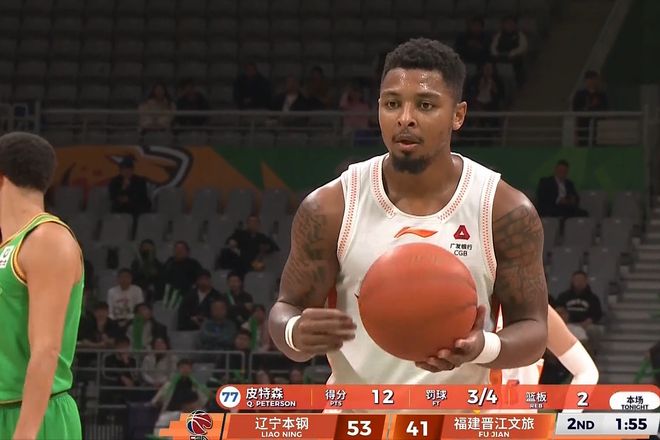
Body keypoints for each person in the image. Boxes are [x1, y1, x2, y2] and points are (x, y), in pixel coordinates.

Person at [269, 39, 548, 389]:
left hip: (462, 414)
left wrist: (483, 347)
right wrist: (295, 332)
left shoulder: (504, 211)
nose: (405, 118)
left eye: (425, 105)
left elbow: (534, 330)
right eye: (392, 104)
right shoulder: (330, 207)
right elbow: (286, 308)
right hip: (357, 413)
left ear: (458, 115)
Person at [0, 132, 83, 439]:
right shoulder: (9, 246)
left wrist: (25, 434)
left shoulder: (47, 239)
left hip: (33, 416)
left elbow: (46, 350)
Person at [555, 271, 604, 354]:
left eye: (581, 280)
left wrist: (589, 321)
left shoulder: (593, 298)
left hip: (585, 324)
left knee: (594, 330)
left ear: (586, 281)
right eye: (577, 280)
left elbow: (597, 314)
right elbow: (558, 310)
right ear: (572, 281)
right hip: (567, 323)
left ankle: (592, 353)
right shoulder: (563, 296)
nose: (579, 282)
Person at [572, 71, 609, 146]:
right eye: (591, 79)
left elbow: (606, 112)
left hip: (598, 128)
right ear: (586, 80)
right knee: (583, 147)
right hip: (583, 128)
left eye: (595, 79)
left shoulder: (602, 95)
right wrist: (575, 133)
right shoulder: (580, 94)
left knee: (598, 148)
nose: (593, 81)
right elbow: (575, 114)